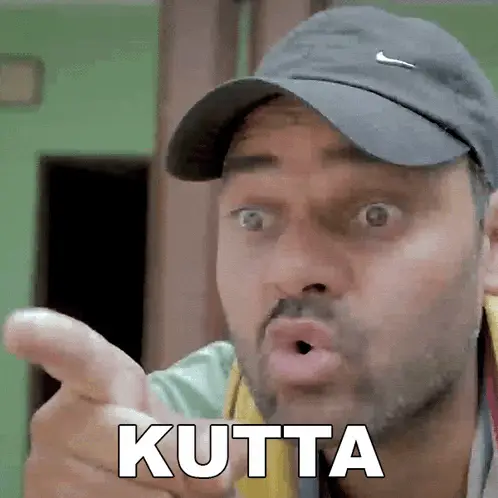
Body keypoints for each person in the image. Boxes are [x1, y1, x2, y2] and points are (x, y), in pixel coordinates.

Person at [4, 5, 498, 498]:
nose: (292, 269)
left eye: (375, 214)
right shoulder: (175, 435)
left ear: (490, 245)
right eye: (254, 218)